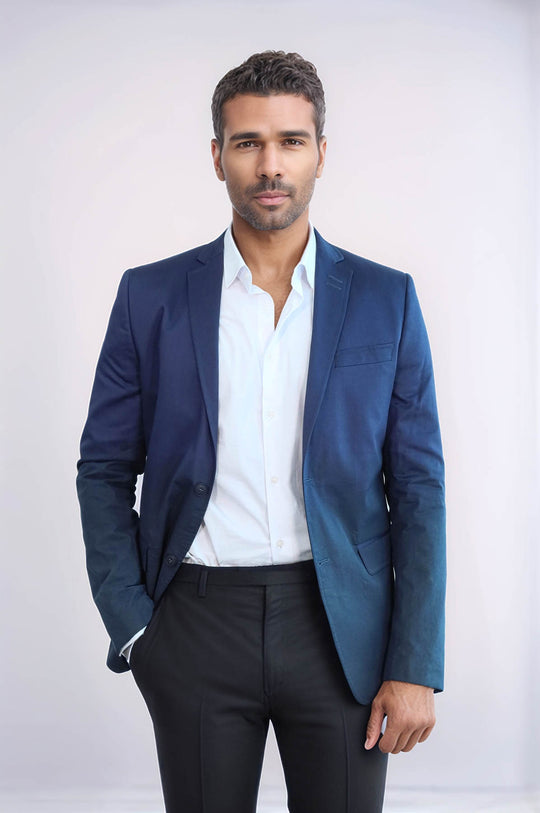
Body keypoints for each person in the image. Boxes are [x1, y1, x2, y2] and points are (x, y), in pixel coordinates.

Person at [76, 50, 446, 813]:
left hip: (341, 627)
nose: (270, 165)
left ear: (320, 154)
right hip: (195, 623)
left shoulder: (386, 299)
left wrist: (414, 661)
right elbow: (104, 470)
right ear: (218, 156)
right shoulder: (150, 297)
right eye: (248, 143)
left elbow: (418, 488)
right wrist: (136, 627)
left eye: (290, 142)